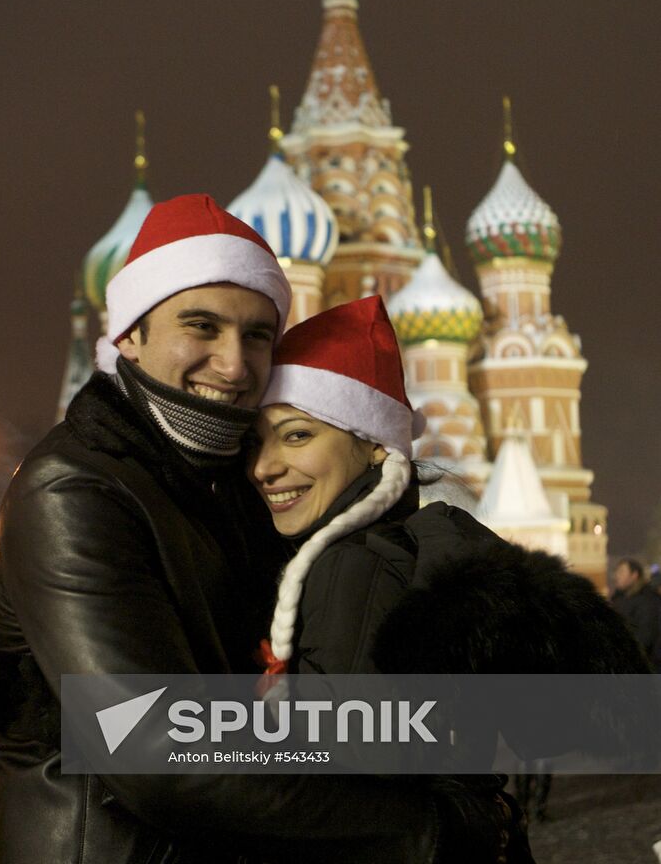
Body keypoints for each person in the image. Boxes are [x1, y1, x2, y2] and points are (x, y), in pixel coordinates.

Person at [0, 196, 438, 864]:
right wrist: (425, 830)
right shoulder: (75, 490)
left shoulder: (226, 475)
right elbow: (154, 748)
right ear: (131, 333)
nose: (235, 365)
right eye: (201, 327)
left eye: (257, 335)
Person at [249, 296, 650, 862]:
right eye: (255, 441)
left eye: (296, 435)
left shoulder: (352, 564)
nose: (264, 465)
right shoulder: (421, 545)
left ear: (373, 444)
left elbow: (342, 769)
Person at [611, 558, 661, 670]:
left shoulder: (648, 601)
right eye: (616, 572)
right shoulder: (618, 598)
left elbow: (645, 639)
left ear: (634, 575)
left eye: (621, 572)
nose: (616, 576)